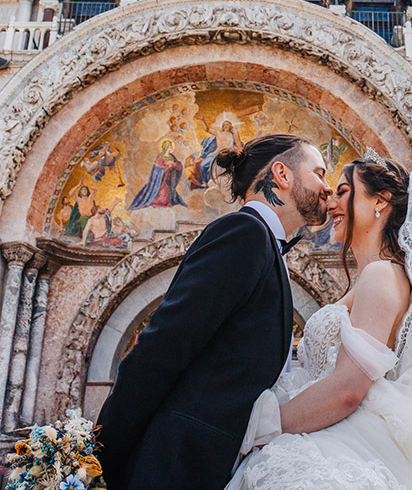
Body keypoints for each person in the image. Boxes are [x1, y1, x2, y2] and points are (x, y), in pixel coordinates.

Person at [227, 153, 412, 490]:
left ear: (379, 201)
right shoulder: (373, 278)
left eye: (344, 191)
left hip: (337, 447)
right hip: (329, 436)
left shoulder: (381, 275)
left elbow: (347, 389)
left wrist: (262, 429)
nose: (332, 203)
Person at [97, 133, 332, 490]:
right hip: (177, 467)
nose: (327, 187)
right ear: (281, 175)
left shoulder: (266, 245)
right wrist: (99, 458)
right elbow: (162, 349)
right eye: (320, 172)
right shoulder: (243, 232)